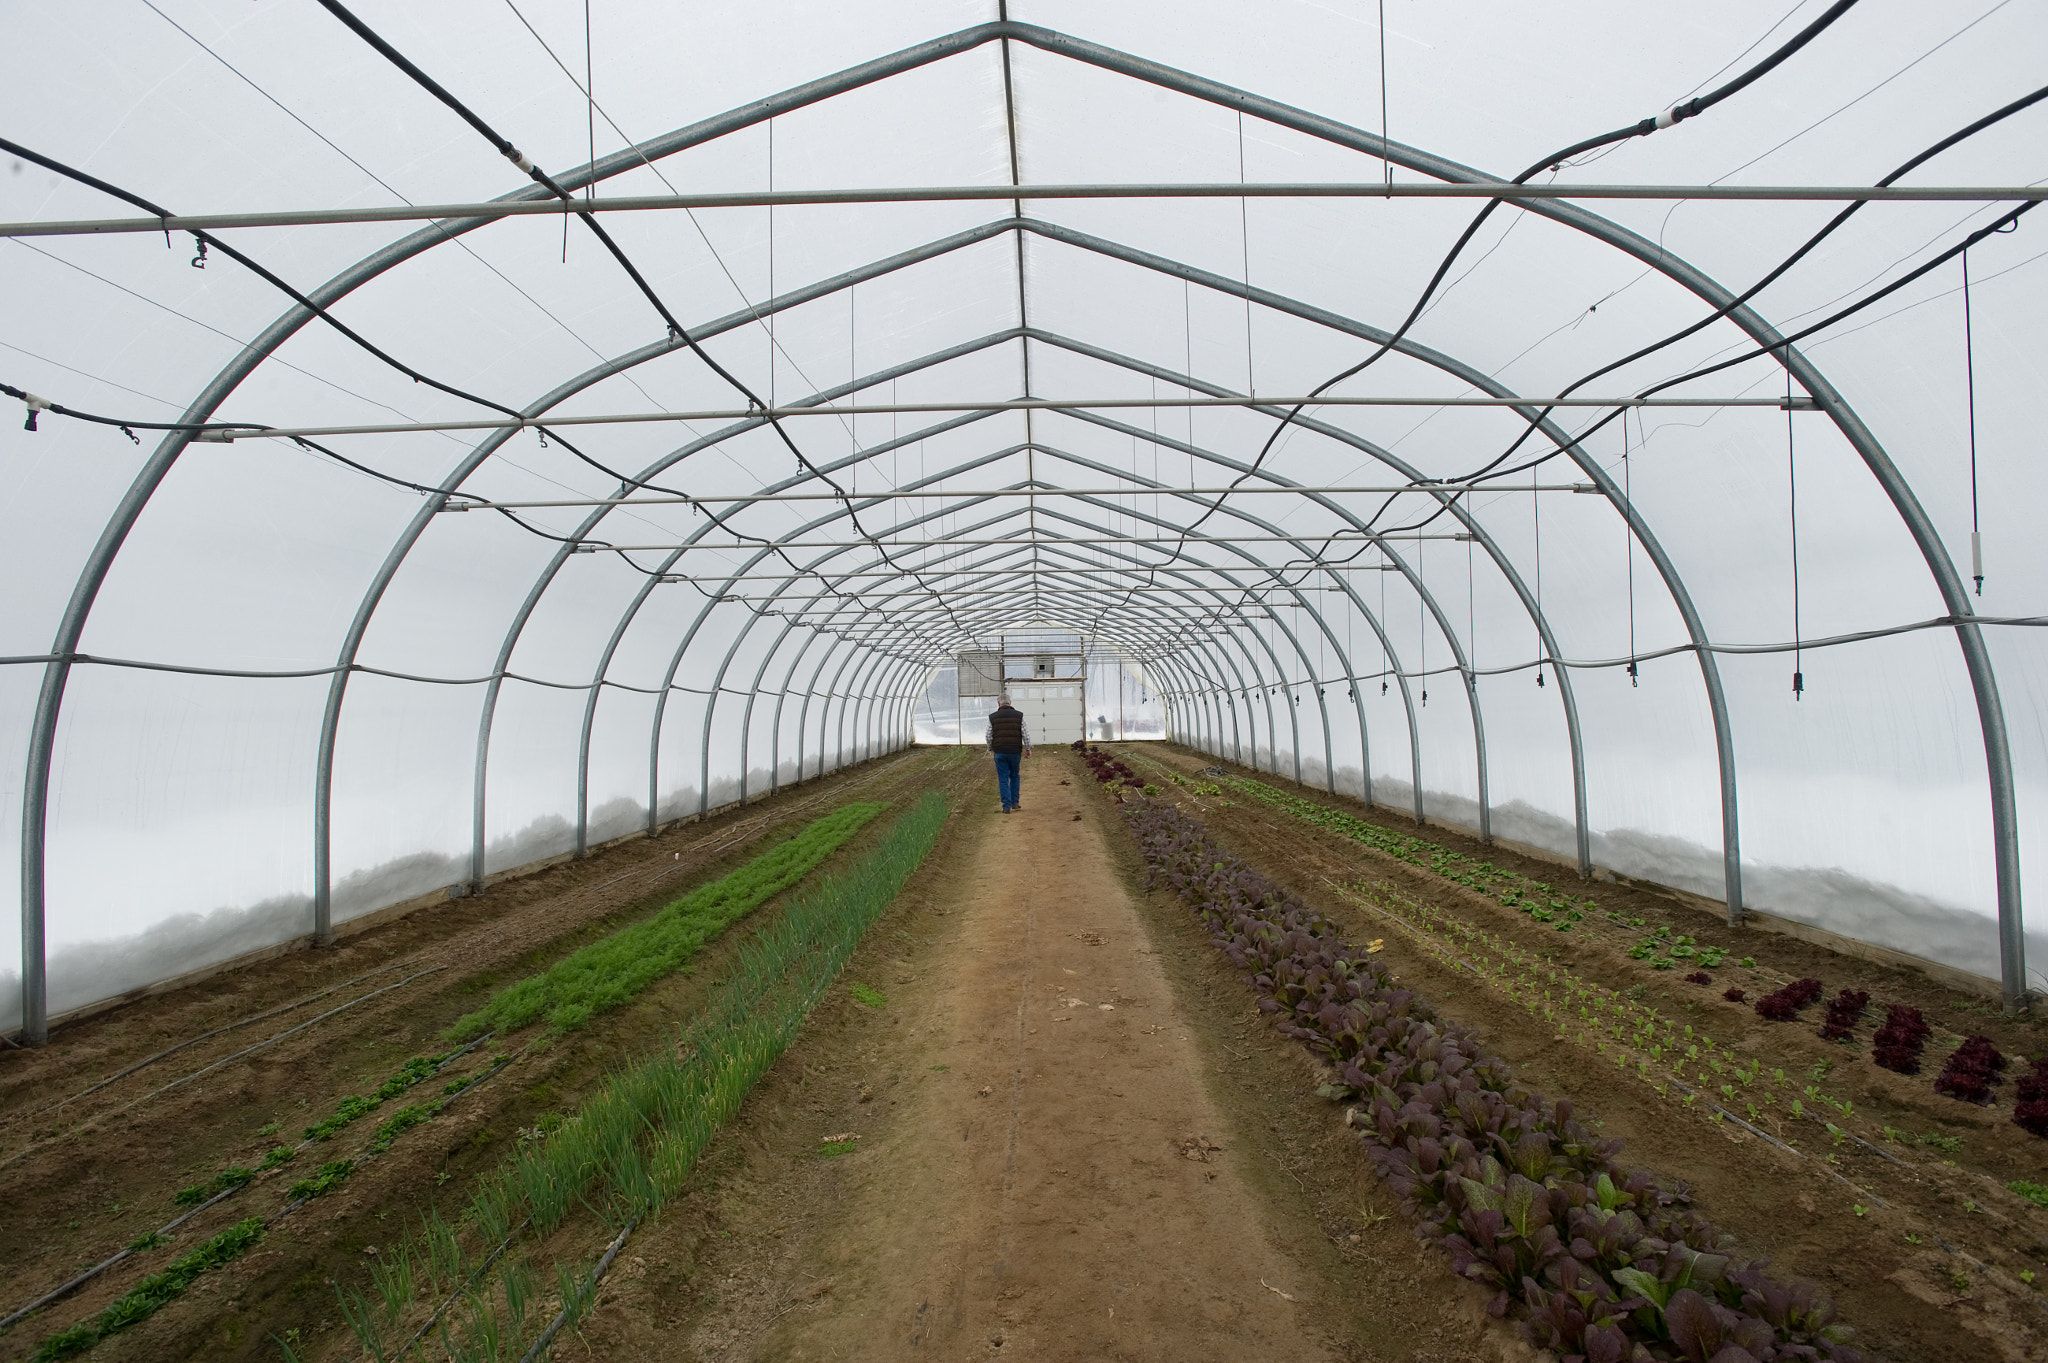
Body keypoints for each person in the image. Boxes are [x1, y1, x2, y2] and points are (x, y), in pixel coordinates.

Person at [985, 694, 1032, 813]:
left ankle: (1006, 806)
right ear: (1010, 703)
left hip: (1000, 751)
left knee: (1003, 778)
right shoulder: (1019, 716)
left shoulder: (993, 717)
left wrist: (990, 748)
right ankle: (1015, 802)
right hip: (1015, 751)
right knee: (1015, 776)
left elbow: (988, 735)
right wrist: (1028, 748)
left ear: (998, 703)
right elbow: (1025, 733)